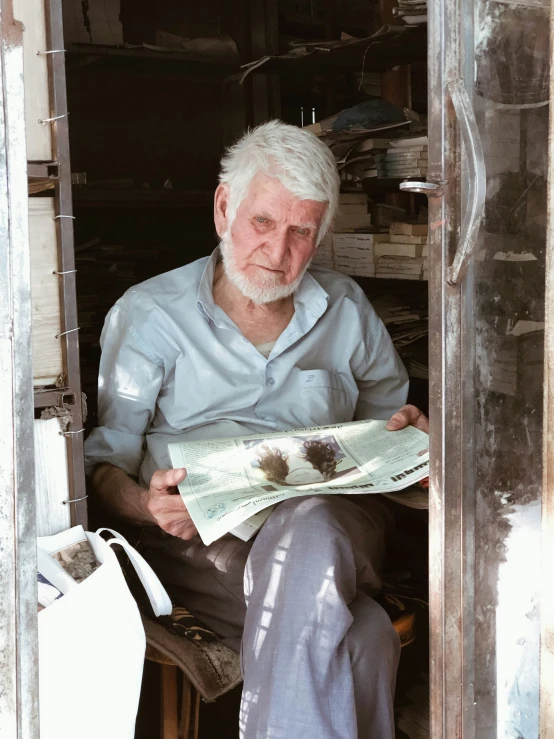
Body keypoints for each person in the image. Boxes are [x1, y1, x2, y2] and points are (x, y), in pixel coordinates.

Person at [85, 120, 429, 738]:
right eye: (264, 223)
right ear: (224, 207)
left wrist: (405, 435)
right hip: (202, 543)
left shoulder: (347, 310)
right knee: (364, 636)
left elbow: (390, 426)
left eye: (302, 231)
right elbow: (100, 463)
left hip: (338, 527)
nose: (279, 253)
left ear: (322, 232)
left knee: (310, 523)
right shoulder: (148, 315)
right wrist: (145, 503)